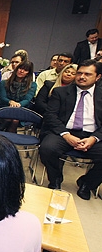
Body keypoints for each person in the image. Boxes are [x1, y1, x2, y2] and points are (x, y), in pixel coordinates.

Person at [39, 59, 102, 200]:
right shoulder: (60, 92)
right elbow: (50, 116)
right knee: (47, 148)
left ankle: (87, 183)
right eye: (79, 73)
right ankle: (55, 179)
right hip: (63, 132)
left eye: (87, 74)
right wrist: (66, 135)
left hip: (92, 135)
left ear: (97, 77)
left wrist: (93, 139)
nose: (82, 77)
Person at [0, 61, 37, 132]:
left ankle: (7, 138)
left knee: (15, 119)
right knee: (8, 117)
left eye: (25, 70)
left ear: (28, 73)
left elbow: (27, 99)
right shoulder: (4, 83)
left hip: (21, 109)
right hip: (5, 107)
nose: (21, 71)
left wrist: (18, 105)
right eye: (20, 68)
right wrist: (10, 102)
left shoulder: (32, 85)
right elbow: (3, 97)